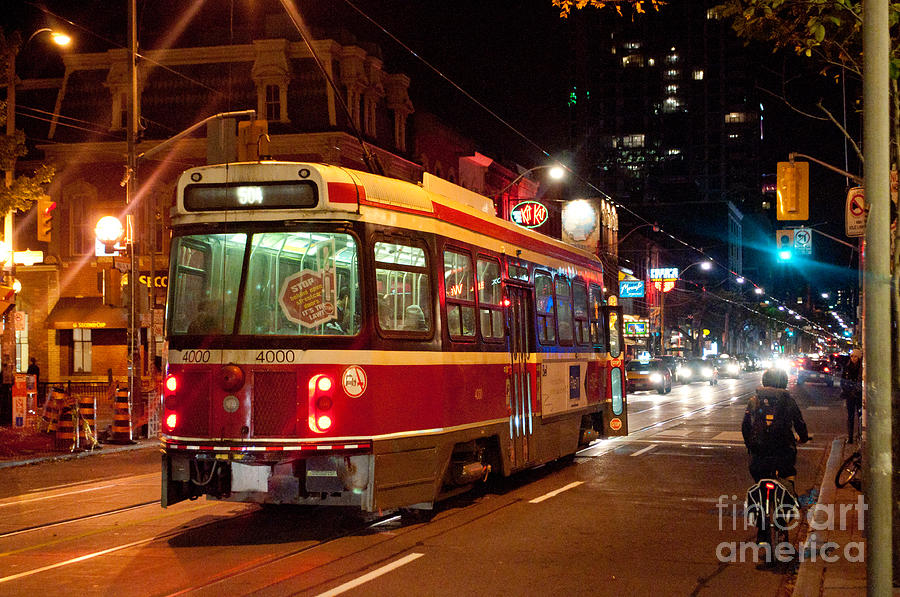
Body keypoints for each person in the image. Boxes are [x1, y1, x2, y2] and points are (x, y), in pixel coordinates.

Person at [741, 368, 810, 495]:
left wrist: (750, 444)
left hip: (759, 449)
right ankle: (789, 497)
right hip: (783, 447)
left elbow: (745, 426)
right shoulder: (788, 400)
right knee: (788, 471)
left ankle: (760, 501)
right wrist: (804, 437)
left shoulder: (754, 400)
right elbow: (799, 423)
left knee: (758, 475)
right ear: (784, 382)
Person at [841, 349, 863, 443]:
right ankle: (850, 437)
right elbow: (843, 380)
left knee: (860, 415)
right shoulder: (847, 367)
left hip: (859, 395)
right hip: (850, 395)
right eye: (852, 356)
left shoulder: (862, 368)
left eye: (855, 356)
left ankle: (860, 435)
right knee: (850, 416)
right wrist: (847, 390)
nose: (853, 358)